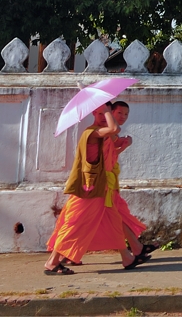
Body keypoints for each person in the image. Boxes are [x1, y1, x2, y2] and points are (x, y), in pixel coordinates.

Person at [43, 104, 142, 274]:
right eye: (101, 113)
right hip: (89, 189)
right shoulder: (92, 133)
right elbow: (114, 128)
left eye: (107, 113)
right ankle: (52, 262)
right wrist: (105, 109)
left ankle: (127, 256)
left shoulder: (103, 133)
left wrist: (124, 145)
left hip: (102, 187)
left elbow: (109, 149)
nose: (105, 116)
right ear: (94, 113)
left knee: (114, 220)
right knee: (75, 223)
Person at [108, 100, 156, 262]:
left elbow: (109, 153)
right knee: (109, 216)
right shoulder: (102, 131)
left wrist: (120, 143)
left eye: (126, 114)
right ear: (111, 113)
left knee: (116, 215)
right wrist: (124, 146)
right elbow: (106, 157)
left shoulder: (109, 132)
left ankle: (136, 247)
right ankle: (63, 254)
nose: (123, 117)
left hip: (108, 181)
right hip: (99, 183)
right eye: (119, 113)